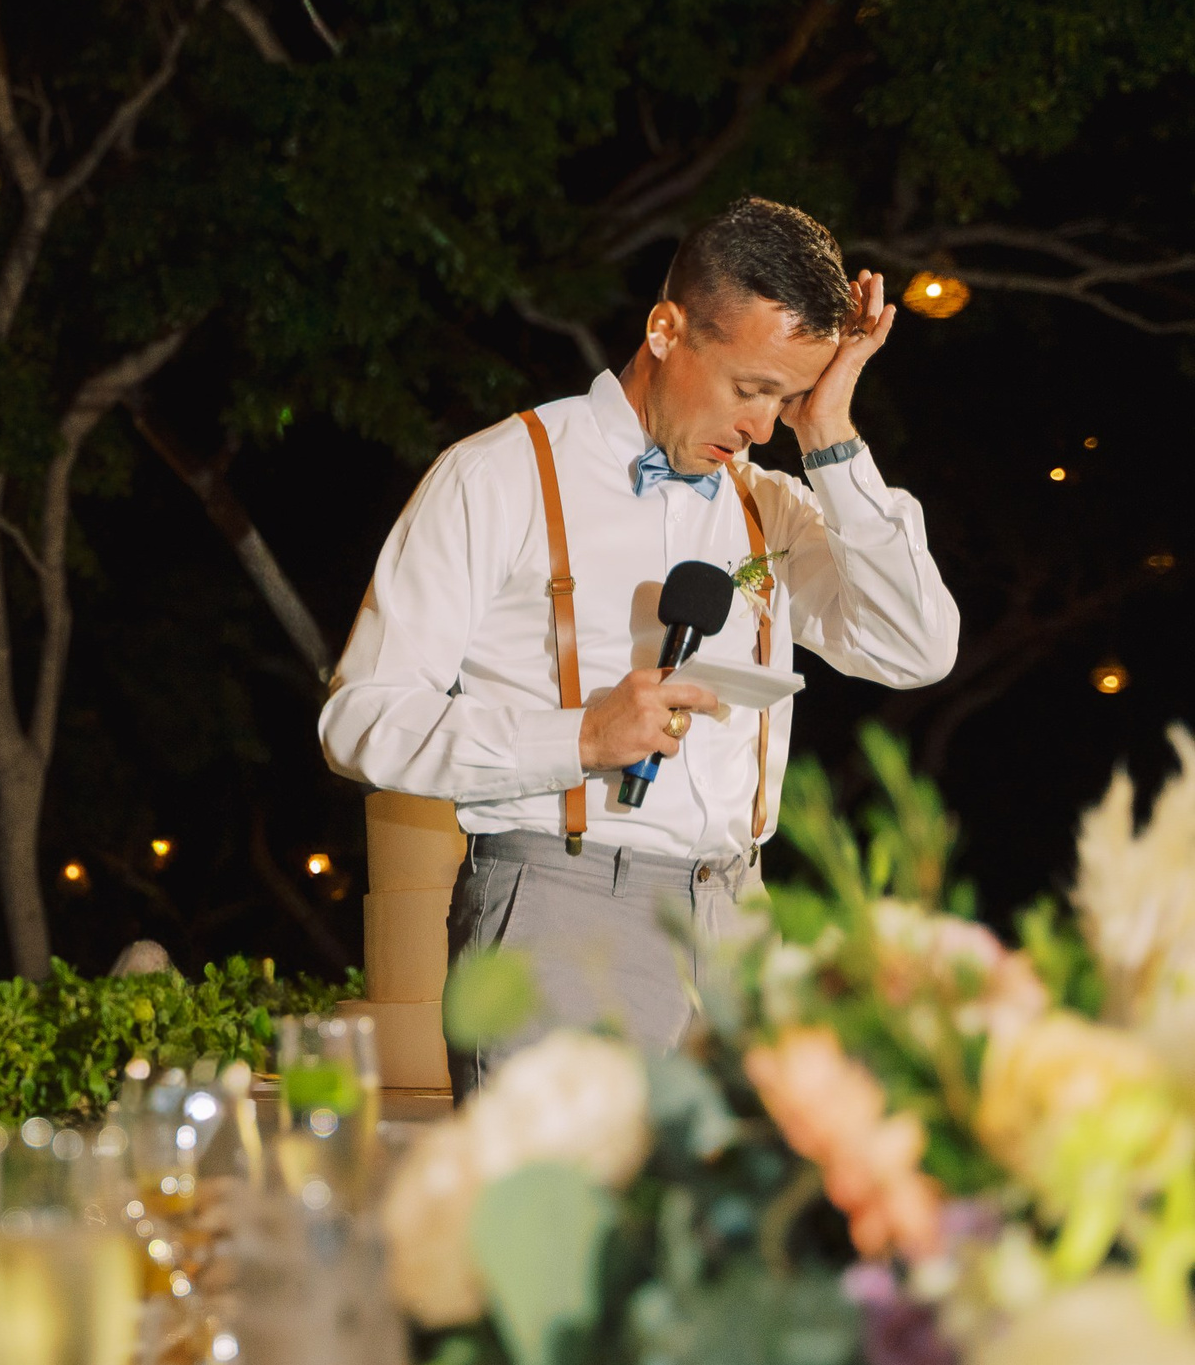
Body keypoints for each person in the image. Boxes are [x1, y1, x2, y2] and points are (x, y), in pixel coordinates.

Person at [321, 197, 959, 1087]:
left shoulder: (767, 502)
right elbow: (361, 719)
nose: (762, 427)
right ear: (666, 327)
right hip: (560, 913)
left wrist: (833, 434)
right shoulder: (497, 475)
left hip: (742, 924)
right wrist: (580, 738)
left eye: (789, 396)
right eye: (750, 389)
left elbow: (916, 647)